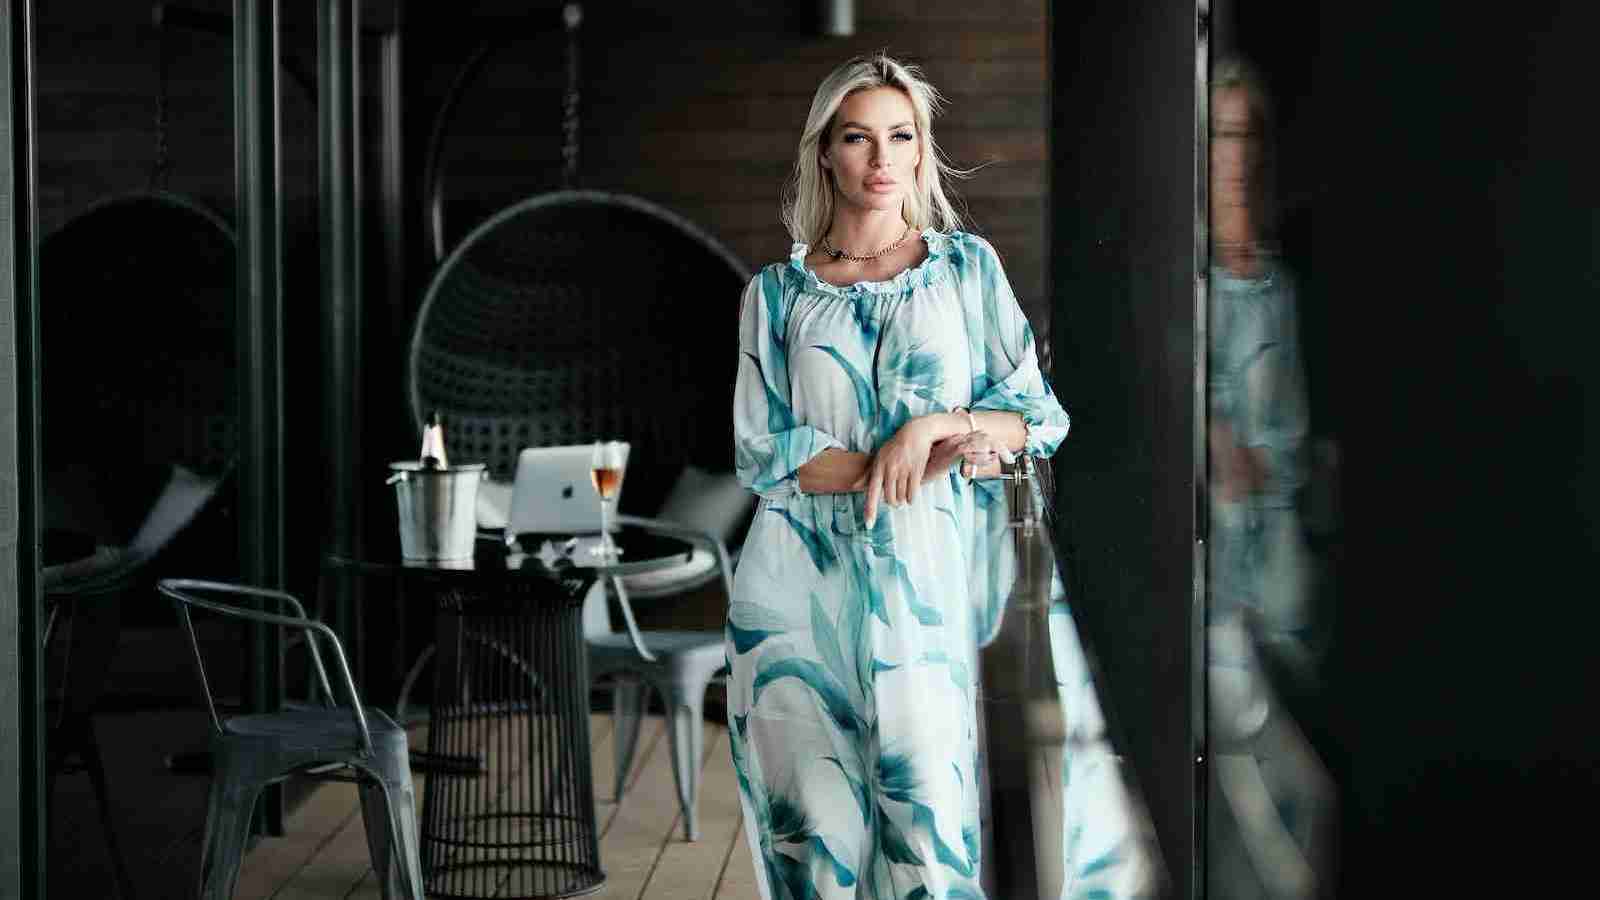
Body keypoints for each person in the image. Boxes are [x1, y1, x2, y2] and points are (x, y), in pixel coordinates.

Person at [726, 54, 1070, 898]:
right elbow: (765, 452)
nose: (881, 158)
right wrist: (900, 460)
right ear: (826, 155)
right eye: (858, 137)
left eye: (899, 136)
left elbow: (1037, 418)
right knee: (815, 845)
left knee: (929, 828)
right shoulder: (775, 296)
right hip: (794, 596)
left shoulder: (965, 271)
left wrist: (935, 427)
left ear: (921, 153)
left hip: (928, 586)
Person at [1206, 56, 1336, 900]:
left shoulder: (1302, 269)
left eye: (1251, 134)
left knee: (1306, 761)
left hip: (1297, 551)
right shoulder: (1177, 277)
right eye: (1223, 134)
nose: (1238, 153)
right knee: (1232, 745)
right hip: (1212, 553)